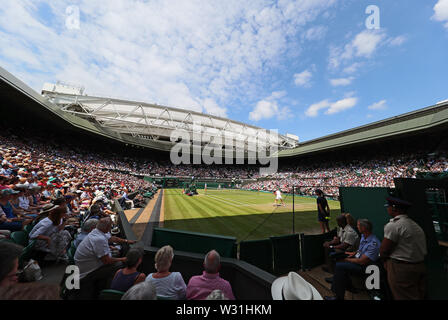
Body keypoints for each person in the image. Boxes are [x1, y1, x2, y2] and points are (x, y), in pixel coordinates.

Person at [380, 196, 427, 300]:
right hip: (419, 265)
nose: (387, 209)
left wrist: (385, 262)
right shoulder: (414, 224)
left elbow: (384, 250)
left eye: (388, 207)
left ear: (394, 208)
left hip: (401, 267)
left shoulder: (394, 225)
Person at [324, 219, 380, 300]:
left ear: (364, 228)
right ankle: (348, 286)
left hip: (366, 267)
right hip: (358, 259)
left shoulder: (373, 243)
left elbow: (362, 262)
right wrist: (351, 254)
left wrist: (346, 259)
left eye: (358, 225)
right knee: (337, 256)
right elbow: (360, 251)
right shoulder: (364, 236)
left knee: (340, 266)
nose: (357, 227)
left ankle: (338, 297)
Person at [73, 217, 127, 299]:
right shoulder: (99, 239)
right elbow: (107, 261)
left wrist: (126, 241)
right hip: (86, 274)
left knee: (115, 258)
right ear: (107, 228)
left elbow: (111, 239)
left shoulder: (96, 232)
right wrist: (123, 259)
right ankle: (107, 291)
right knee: (119, 264)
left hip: (83, 268)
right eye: (110, 227)